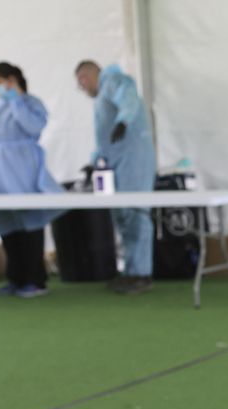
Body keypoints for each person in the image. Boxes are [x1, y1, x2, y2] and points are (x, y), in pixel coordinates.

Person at [0, 62, 62, 298]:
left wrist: (16, 101)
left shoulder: (31, 103)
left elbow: (33, 127)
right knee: (7, 223)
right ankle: (16, 277)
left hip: (23, 167)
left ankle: (36, 279)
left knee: (29, 221)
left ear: (11, 80)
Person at [74, 60, 156, 294]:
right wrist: (94, 161)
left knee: (136, 214)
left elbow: (127, 98)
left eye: (82, 82)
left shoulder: (113, 81)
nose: (82, 88)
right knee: (123, 216)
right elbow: (104, 138)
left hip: (133, 160)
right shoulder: (101, 100)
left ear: (87, 76)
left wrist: (124, 121)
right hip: (117, 163)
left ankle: (142, 273)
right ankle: (131, 271)